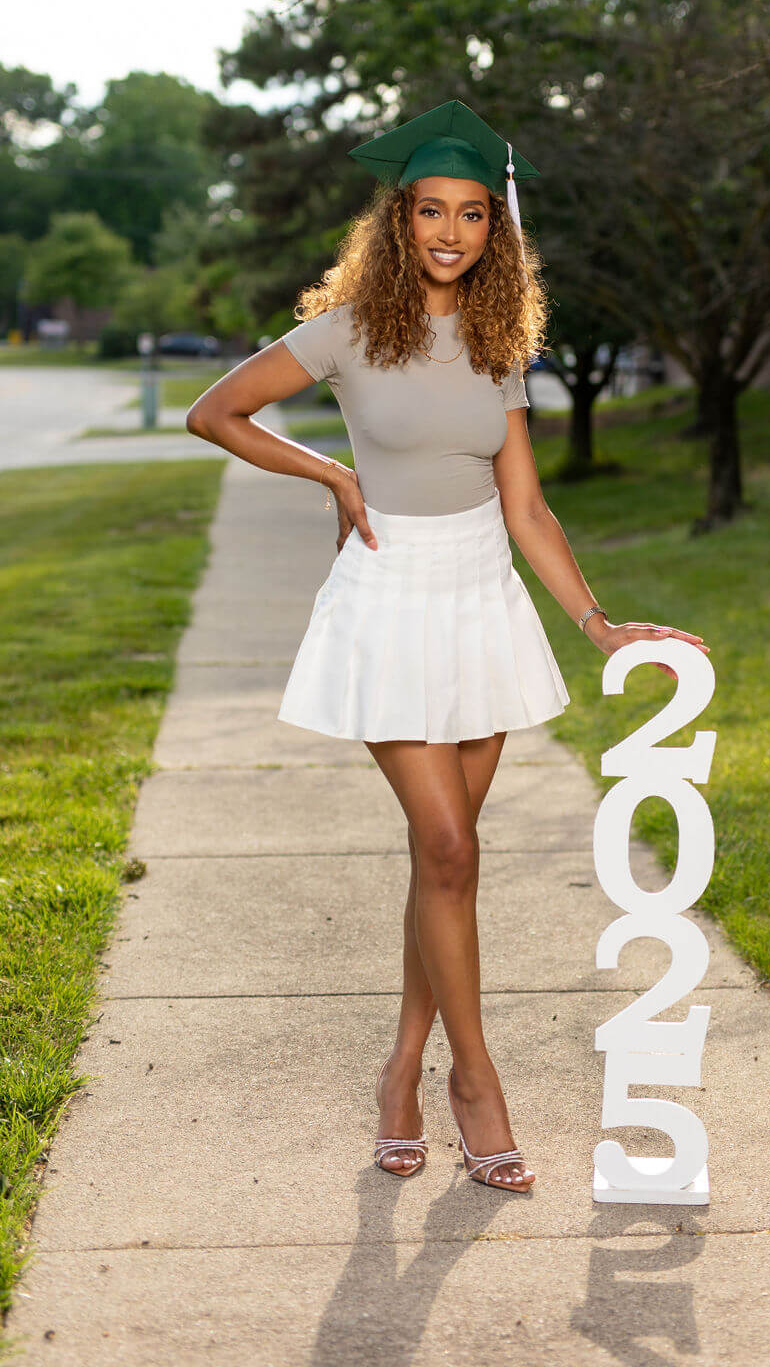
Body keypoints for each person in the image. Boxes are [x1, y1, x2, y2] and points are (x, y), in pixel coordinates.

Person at [186, 99, 709, 1195]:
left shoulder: (497, 341)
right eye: (431, 210)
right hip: (387, 602)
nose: (451, 231)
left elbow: (526, 511)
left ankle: (399, 1073)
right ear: (399, 218)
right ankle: (478, 1081)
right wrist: (330, 474)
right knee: (451, 852)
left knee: (445, 863)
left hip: (481, 600)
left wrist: (597, 623)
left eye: (472, 214)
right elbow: (217, 412)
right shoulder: (342, 333)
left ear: (494, 230)